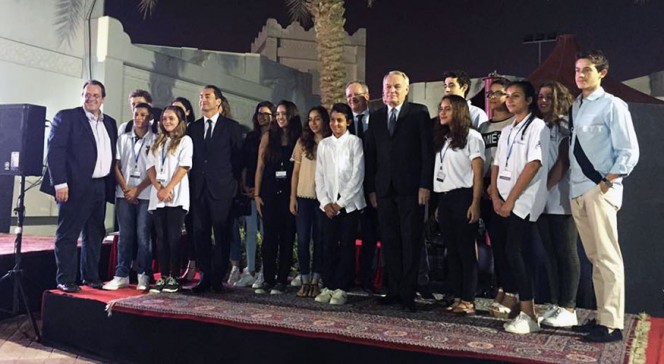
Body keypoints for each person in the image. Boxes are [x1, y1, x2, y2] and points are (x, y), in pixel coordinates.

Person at [569, 50, 639, 343]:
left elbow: (629, 150)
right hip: (576, 188)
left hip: (598, 189)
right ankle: (602, 317)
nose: (581, 75)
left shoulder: (613, 105)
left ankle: (612, 324)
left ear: (602, 73)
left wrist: (608, 181)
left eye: (587, 70)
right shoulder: (576, 105)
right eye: (577, 70)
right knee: (595, 257)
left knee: (607, 257)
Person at [365, 70, 433, 312]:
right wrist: (371, 189)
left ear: (406, 89)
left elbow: (427, 152)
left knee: (411, 241)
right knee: (390, 241)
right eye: (387, 87)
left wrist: (425, 185)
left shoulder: (419, 113)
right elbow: (371, 156)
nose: (391, 91)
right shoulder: (376, 117)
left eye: (396, 87)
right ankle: (393, 290)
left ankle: (408, 293)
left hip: (411, 190)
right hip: (383, 191)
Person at [41, 80, 118, 293]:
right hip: (73, 187)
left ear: (103, 98)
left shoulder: (110, 122)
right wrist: (60, 183)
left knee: (95, 233)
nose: (91, 98)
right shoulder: (67, 117)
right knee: (68, 234)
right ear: (82, 95)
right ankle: (66, 279)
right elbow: (55, 151)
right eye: (87, 94)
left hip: (100, 186)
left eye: (96, 95)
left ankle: (91, 277)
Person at [490, 80, 549, 334]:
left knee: (516, 251)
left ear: (529, 100)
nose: (510, 100)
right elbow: (496, 164)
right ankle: (522, 308)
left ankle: (529, 312)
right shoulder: (508, 130)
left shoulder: (537, 127)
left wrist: (511, 199)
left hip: (523, 199)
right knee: (509, 252)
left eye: (516, 96)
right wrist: (494, 195)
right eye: (508, 96)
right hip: (502, 198)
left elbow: (533, 165)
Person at [533, 81, 581, 328]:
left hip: (560, 199)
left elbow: (563, 164)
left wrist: (543, 190)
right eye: (540, 97)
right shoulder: (538, 126)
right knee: (550, 254)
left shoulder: (565, 126)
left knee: (566, 252)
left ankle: (569, 306)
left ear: (560, 99)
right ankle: (554, 302)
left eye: (548, 97)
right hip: (540, 201)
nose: (542, 101)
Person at [188, 85, 243, 293]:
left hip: (223, 191)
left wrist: (232, 184)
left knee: (222, 235)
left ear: (218, 101)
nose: (203, 100)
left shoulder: (231, 127)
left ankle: (218, 278)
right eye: (201, 97)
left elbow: (238, 159)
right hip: (199, 191)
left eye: (207, 96)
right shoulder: (193, 128)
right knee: (200, 234)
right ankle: (205, 276)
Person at [433, 95, 485, 315]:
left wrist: (475, 202)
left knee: (465, 250)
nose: (443, 112)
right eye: (441, 108)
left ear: (460, 111)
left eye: (448, 109)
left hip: (464, 197)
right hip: (445, 199)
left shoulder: (472, 137)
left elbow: (478, 173)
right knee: (451, 251)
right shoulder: (443, 138)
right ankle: (456, 295)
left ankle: (469, 299)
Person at [314, 103, 366, 305]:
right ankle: (329, 285)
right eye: (333, 120)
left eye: (340, 120)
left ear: (348, 121)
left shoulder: (355, 142)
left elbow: (357, 175)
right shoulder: (324, 144)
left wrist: (340, 203)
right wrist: (326, 202)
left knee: (346, 246)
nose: (336, 123)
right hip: (327, 206)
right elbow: (319, 176)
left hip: (349, 205)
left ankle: (342, 288)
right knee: (327, 245)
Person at [103, 103, 156, 291]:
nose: (139, 118)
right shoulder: (123, 138)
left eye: (143, 115)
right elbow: (116, 165)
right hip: (123, 193)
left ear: (150, 118)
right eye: (136, 114)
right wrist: (126, 189)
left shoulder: (156, 140)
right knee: (124, 235)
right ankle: (121, 274)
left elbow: (155, 171)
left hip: (146, 194)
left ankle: (143, 274)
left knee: (143, 235)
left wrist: (137, 190)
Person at [253, 100, 302, 295]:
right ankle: (268, 279)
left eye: (284, 114)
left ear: (292, 116)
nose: (281, 117)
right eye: (278, 114)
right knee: (269, 239)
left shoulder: (298, 138)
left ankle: (282, 280)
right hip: (269, 193)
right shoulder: (268, 136)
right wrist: (256, 194)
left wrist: (294, 196)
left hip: (290, 194)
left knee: (287, 237)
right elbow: (260, 166)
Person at [478, 77, 516, 315]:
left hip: (506, 189)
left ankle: (511, 290)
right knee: (496, 245)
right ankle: (500, 287)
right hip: (485, 190)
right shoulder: (484, 128)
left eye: (498, 93)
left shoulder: (514, 124)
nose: (492, 98)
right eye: (490, 94)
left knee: (509, 245)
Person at [146, 106, 193, 293]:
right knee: (161, 239)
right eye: (164, 119)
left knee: (173, 237)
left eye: (171, 118)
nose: (167, 122)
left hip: (176, 194)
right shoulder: (158, 141)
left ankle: (174, 276)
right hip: (158, 195)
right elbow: (150, 167)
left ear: (180, 121)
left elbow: (184, 166)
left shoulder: (185, 140)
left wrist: (168, 188)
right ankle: (163, 276)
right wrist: (159, 188)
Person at [291, 106, 332, 297]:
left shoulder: (331, 142)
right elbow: (296, 172)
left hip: (323, 199)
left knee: (321, 240)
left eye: (317, 119)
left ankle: (316, 280)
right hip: (303, 196)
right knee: (303, 239)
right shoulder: (302, 142)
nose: (313, 123)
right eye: (310, 119)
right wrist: (292, 197)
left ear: (324, 120)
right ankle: (304, 278)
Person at [235, 102, 275, 288]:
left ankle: (264, 271)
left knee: (267, 232)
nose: (262, 117)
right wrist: (245, 185)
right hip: (250, 189)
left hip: (268, 190)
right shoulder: (251, 137)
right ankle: (250, 270)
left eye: (266, 114)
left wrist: (260, 189)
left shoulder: (276, 137)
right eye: (259, 113)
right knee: (250, 232)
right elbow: (244, 163)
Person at [345, 81, 380, 292]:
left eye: (356, 96)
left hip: (372, 187)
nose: (352, 100)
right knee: (347, 236)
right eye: (349, 97)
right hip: (347, 187)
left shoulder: (377, 119)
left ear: (367, 96)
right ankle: (347, 278)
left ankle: (368, 279)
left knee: (369, 235)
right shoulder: (343, 122)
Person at [170, 96, 197, 281]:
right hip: (169, 190)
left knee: (193, 228)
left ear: (187, 112)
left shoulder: (192, 132)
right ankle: (170, 271)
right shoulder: (167, 135)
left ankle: (193, 264)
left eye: (179, 109)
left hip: (192, 186)